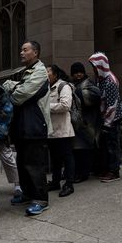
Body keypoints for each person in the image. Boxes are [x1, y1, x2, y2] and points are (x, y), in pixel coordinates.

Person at [3, 40, 53, 215]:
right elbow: (18, 90)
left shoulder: (40, 72)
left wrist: (12, 87)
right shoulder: (27, 72)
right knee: (22, 163)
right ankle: (27, 193)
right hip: (22, 125)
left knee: (34, 164)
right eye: (21, 50)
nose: (21, 53)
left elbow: (19, 96)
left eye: (25, 50)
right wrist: (15, 87)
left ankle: (40, 199)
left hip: (35, 125)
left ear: (36, 52)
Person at [88, 52, 122, 182]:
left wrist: (107, 124)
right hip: (106, 117)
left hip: (113, 118)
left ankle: (114, 171)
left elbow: (112, 106)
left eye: (94, 66)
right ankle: (107, 168)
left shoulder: (110, 81)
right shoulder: (101, 79)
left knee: (112, 144)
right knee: (106, 144)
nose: (93, 69)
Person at [46, 64, 75, 197]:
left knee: (67, 158)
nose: (46, 75)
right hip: (52, 130)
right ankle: (55, 181)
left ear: (55, 75)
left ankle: (69, 184)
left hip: (63, 130)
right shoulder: (47, 87)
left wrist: (45, 107)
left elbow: (65, 105)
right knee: (55, 159)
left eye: (48, 73)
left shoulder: (64, 86)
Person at [70, 62, 101, 183]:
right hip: (78, 123)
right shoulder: (74, 84)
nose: (78, 74)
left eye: (80, 72)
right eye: (75, 72)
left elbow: (96, 95)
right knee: (78, 150)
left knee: (84, 150)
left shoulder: (88, 83)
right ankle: (79, 172)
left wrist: (78, 93)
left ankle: (83, 173)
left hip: (88, 122)